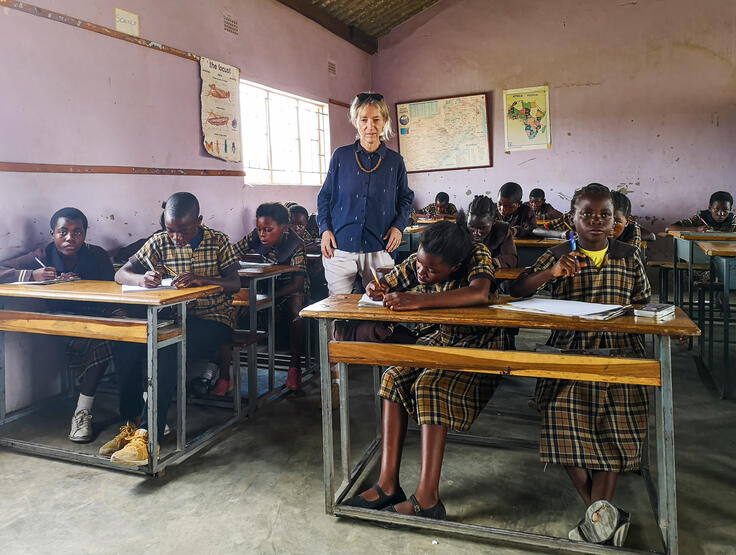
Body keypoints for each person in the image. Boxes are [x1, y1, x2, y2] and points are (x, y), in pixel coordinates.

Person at [510, 183, 651, 546]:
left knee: (618, 416)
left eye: (604, 214)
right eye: (586, 213)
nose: (596, 221)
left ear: (615, 220)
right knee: (560, 411)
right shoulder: (559, 253)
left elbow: (644, 302)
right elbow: (518, 290)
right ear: (572, 219)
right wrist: (551, 274)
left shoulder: (629, 254)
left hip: (620, 350)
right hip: (569, 351)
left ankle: (598, 520)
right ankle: (604, 517)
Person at [342, 216, 503, 520]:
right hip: (440, 339)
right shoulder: (422, 258)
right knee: (392, 377)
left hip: (479, 343)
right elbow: (385, 282)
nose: (422, 272)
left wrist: (417, 299)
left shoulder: (476, 253)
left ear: (454, 267)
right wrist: (376, 288)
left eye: (431, 270)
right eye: (419, 265)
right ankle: (388, 484)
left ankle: (428, 499)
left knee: (430, 386)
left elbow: (479, 293)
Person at [102, 192, 240, 466]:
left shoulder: (218, 240)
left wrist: (200, 279)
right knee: (127, 345)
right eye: (170, 230)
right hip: (174, 317)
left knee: (166, 348)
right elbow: (120, 274)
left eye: (183, 231)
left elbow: (235, 283)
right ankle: (132, 424)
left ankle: (148, 434)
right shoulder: (160, 241)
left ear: (199, 221)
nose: (176, 237)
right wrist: (142, 279)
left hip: (214, 319)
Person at [317, 91, 414, 399]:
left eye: (376, 120)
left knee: (383, 308)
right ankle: (336, 380)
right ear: (354, 122)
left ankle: (387, 378)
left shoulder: (395, 161)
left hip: (379, 246)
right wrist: (324, 230)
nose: (370, 126)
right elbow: (325, 198)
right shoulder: (341, 156)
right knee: (338, 309)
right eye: (364, 120)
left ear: (385, 122)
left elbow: (406, 199)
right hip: (340, 246)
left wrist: (400, 225)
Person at [0, 207, 120, 443]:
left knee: (126, 341)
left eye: (77, 232)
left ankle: (139, 413)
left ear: (85, 234)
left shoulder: (97, 255)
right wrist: (32, 275)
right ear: (52, 233)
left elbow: (114, 291)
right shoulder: (44, 254)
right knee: (102, 341)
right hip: (62, 321)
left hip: (102, 316)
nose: (70, 238)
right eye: (63, 232)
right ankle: (82, 412)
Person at [233, 202, 308, 390]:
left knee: (296, 307)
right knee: (230, 302)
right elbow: (232, 253)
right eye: (259, 229)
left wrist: (270, 297)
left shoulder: (296, 245)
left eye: (268, 230)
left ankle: (295, 365)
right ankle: (221, 367)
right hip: (264, 286)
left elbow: (297, 284)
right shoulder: (255, 236)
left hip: (287, 290)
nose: (262, 234)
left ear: (283, 228)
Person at [466, 195, 518, 268]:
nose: (476, 233)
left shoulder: (502, 230)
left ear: (493, 222)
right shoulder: (459, 229)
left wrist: (488, 262)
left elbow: (512, 259)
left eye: (482, 228)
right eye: (471, 226)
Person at [666, 190, 736, 232]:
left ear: (730, 209)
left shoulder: (734, 220)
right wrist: (697, 229)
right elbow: (670, 228)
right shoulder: (701, 217)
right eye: (716, 210)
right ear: (710, 208)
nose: (721, 213)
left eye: (725, 210)